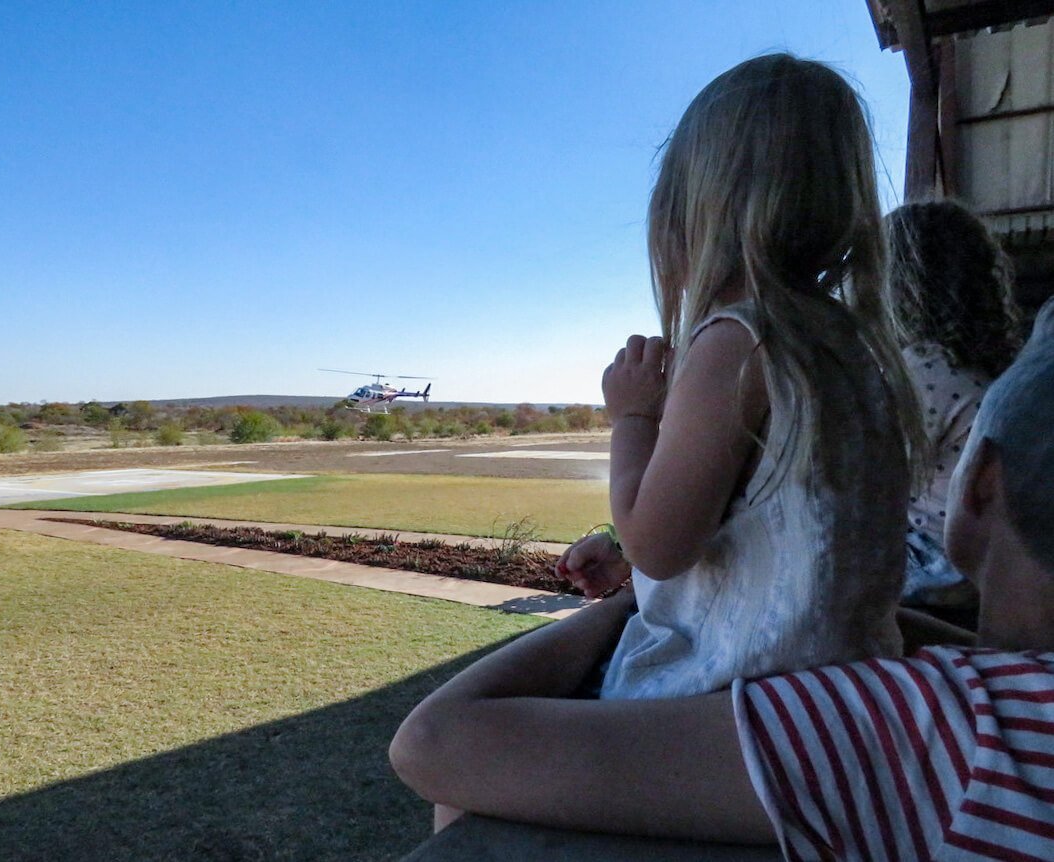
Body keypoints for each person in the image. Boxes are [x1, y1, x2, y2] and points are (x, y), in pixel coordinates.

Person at [389, 296, 1054, 858]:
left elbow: (433, 742)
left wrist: (633, 607)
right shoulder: (1006, 684)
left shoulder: (963, 727)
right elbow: (891, 625)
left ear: (985, 480)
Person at [558, 53, 924, 702]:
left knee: (440, 737)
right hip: (843, 686)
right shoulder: (842, 339)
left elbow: (658, 548)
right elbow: (769, 531)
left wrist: (633, 420)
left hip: (753, 702)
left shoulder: (737, 340)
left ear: (690, 210)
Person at [886, 200, 1023, 620]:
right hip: (983, 563)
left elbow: (868, 483)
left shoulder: (923, 369)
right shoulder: (980, 368)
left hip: (940, 566)